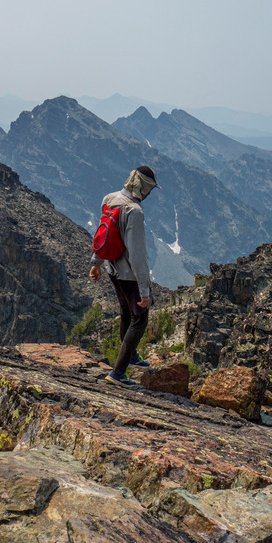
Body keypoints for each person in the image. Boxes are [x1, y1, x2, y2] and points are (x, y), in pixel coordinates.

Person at [89, 166, 160, 388]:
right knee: (140, 318)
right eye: (149, 189)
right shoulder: (134, 211)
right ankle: (118, 372)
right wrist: (145, 290)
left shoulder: (109, 199)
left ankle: (131, 356)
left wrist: (96, 262)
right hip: (129, 275)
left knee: (126, 312)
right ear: (143, 187)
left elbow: (102, 233)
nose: (149, 193)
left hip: (112, 269)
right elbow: (137, 255)